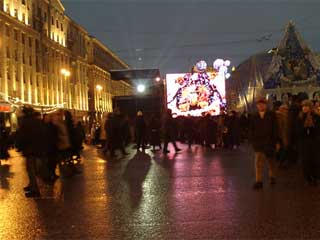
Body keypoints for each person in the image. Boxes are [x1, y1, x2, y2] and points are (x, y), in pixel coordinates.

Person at [249, 97, 279, 190]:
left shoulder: (272, 115)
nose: (261, 106)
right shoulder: (254, 116)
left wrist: (277, 141)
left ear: (266, 105)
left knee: (271, 161)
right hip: (258, 143)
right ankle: (259, 181)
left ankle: (272, 176)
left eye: (263, 104)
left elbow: (275, 128)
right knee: (258, 162)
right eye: (259, 104)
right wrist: (252, 139)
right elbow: (251, 129)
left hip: (270, 141)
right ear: (257, 106)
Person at [16, 107, 44, 197]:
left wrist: (19, 146)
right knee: (33, 169)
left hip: (30, 149)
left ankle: (35, 190)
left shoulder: (25, 122)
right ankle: (31, 185)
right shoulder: (37, 121)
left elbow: (22, 136)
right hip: (37, 149)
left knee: (30, 169)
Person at [297, 100, 320, 185]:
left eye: (306, 106)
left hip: (314, 142)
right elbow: (297, 131)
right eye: (303, 106)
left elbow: (318, 130)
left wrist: (311, 128)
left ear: (310, 107)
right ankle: (307, 177)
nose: (304, 108)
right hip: (304, 143)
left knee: (315, 160)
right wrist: (305, 128)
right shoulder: (300, 117)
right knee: (305, 161)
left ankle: (315, 177)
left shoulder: (316, 117)